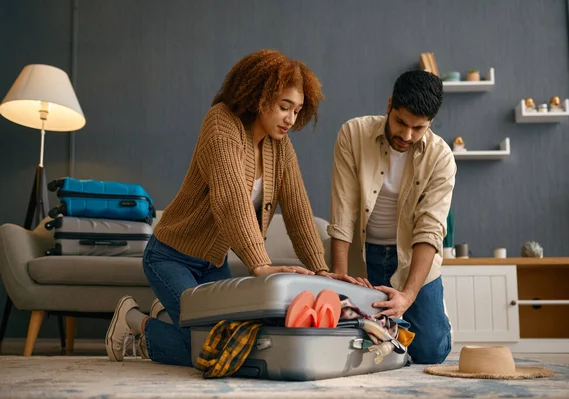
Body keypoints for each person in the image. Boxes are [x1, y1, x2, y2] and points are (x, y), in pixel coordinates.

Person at [105, 49, 354, 366]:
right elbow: (231, 197)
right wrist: (260, 265)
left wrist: (321, 270)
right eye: (284, 107)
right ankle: (135, 322)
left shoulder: (280, 146)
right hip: (171, 256)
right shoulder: (221, 123)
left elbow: (298, 209)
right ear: (259, 97)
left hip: (214, 264)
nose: (291, 119)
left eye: (298, 109)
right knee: (214, 347)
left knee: (238, 342)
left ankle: (168, 317)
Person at [327, 70, 456, 364]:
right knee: (345, 345)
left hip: (412, 261)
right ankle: (393, 330)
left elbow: (430, 230)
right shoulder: (353, 134)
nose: (406, 135)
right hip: (364, 256)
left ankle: (426, 315)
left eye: (418, 128)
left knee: (430, 352)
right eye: (401, 122)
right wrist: (340, 284)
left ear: (430, 123)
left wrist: (408, 296)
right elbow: (343, 211)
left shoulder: (442, 158)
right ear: (389, 106)